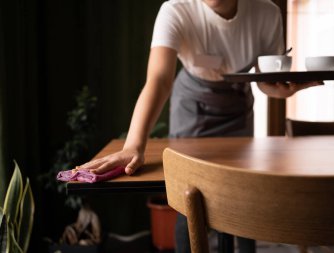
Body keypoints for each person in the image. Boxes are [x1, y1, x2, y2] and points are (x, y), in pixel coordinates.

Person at [78, 0, 321, 252]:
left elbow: (265, 81)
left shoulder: (267, 12)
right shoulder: (176, 10)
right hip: (192, 105)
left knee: (242, 196)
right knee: (189, 200)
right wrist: (133, 145)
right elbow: (159, 80)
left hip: (237, 107)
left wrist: (283, 91)